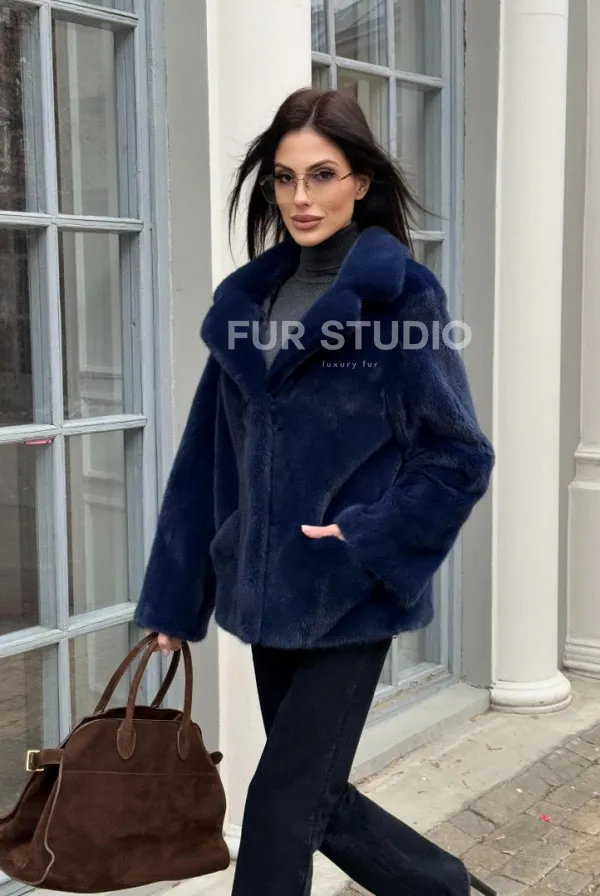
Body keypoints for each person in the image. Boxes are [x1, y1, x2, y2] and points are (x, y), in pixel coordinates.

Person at [134, 87, 496, 896]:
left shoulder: (402, 300)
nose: (301, 197)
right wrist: (174, 600)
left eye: (322, 175)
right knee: (316, 802)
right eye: (285, 177)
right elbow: (205, 461)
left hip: (347, 594)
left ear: (359, 182)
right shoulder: (247, 305)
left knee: (278, 806)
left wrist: (368, 536)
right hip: (267, 597)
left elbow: (457, 454)